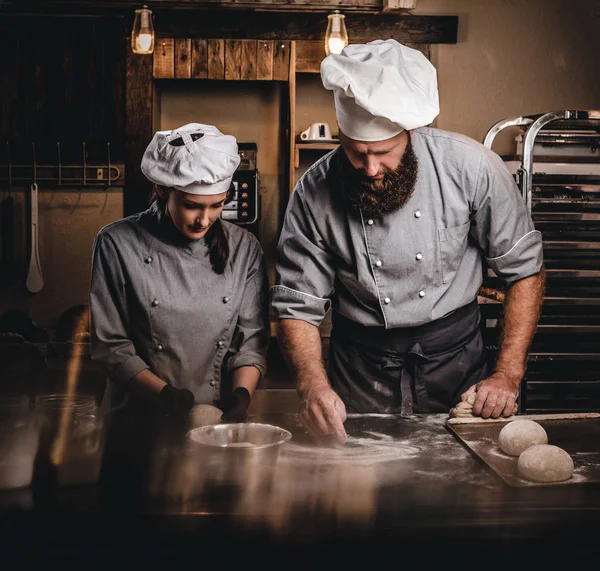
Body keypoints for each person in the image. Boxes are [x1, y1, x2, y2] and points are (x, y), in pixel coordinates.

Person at [271, 40, 545, 442]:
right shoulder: (313, 191)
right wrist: (312, 385)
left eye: (383, 152)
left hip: (455, 360)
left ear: (410, 132)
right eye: (355, 153)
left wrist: (506, 373)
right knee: (357, 485)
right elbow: (297, 303)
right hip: (360, 366)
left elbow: (525, 271)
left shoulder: (470, 168)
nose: (370, 168)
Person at [90, 123, 269, 423]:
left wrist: (241, 396)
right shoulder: (116, 243)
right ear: (162, 190)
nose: (204, 220)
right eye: (192, 206)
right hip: (137, 419)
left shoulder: (245, 248)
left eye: (217, 206)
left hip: (215, 420)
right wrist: (164, 395)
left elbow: (251, 340)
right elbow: (111, 347)